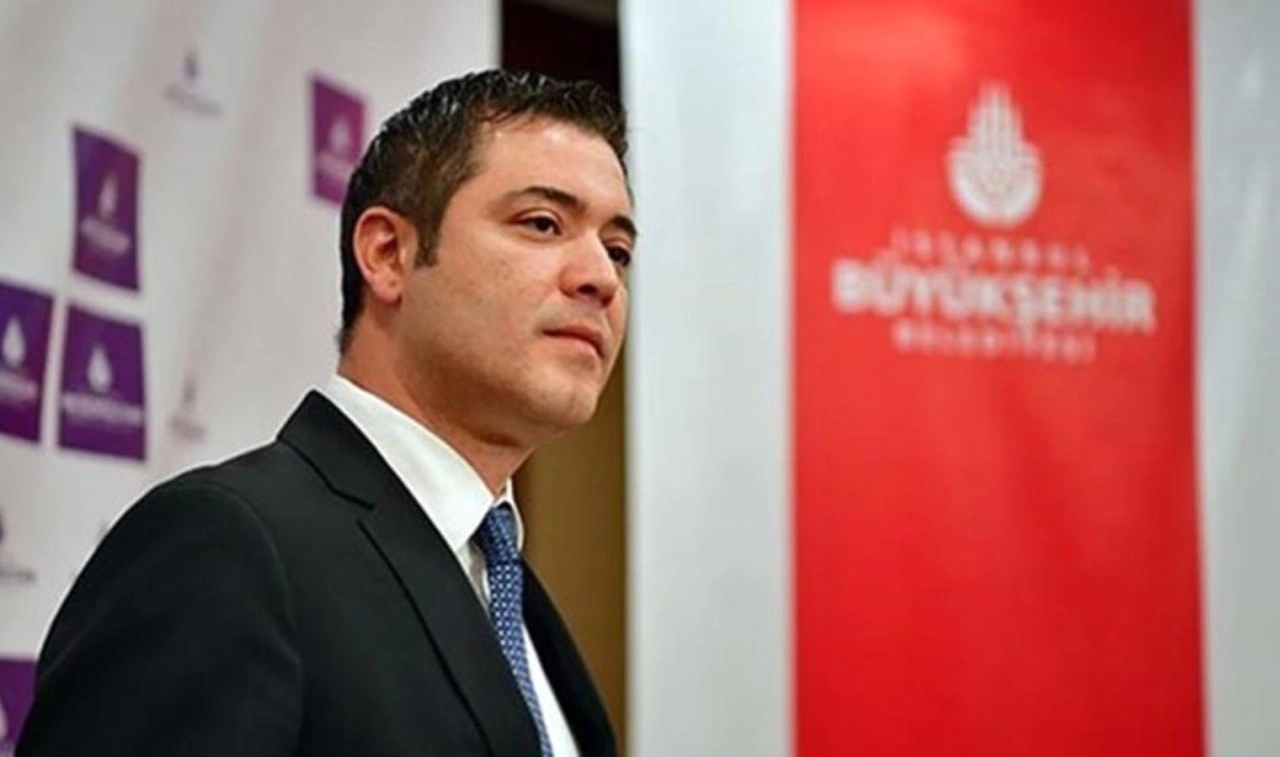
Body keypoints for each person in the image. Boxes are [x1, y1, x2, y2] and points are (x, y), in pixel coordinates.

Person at [17, 69, 634, 757]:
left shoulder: (512, 595)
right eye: (542, 223)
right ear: (388, 254)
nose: (600, 278)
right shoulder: (225, 546)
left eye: (618, 251)